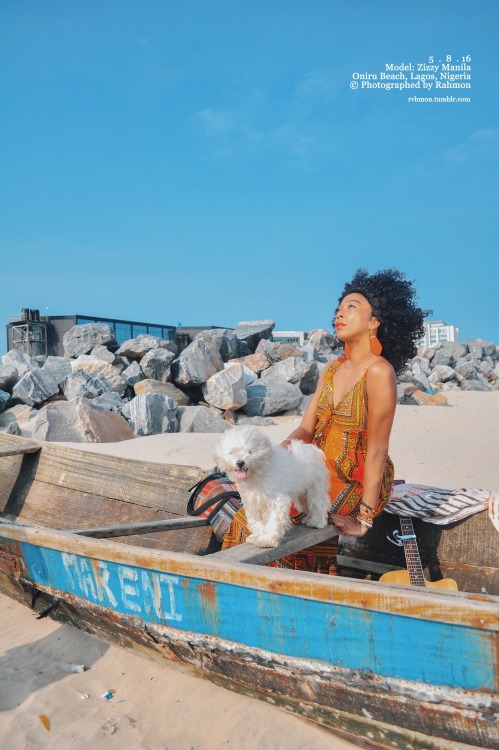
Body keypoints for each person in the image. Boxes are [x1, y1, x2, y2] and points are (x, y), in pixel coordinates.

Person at [222, 268, 430, 574]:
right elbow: (306, 429)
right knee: (249, 516)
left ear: (374, 322)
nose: (339, 314)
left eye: (351, 307)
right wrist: (277, 454)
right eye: (338, 308)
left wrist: (364, 520)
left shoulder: (380, 373)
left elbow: (377, 451)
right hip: (313, 462)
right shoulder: (332, 370)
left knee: (292, 525)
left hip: (355, 477)